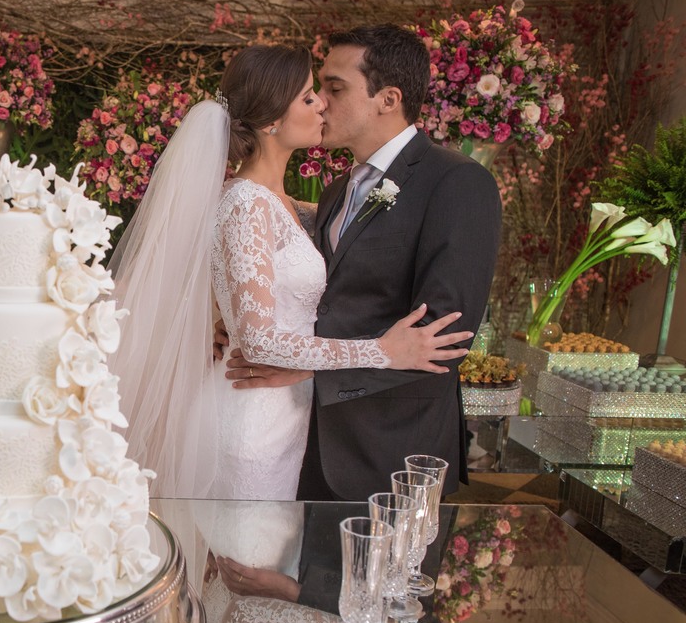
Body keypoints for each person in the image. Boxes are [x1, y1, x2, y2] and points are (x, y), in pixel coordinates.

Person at [110, 44, 472, 503]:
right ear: (269, 122)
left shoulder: (297, 205)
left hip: (292, 417)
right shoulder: (245, 204)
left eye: (324, 91)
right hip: (253, 421)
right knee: (250, 560)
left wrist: (226, 321)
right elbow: (259, 341)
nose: (321, 102)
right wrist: (381, 351)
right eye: (308, 97)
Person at [220, 25, 503, 501]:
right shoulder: (336, 190)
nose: (321, 103)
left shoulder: (456, 183)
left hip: (394, 453)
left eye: (333, 88)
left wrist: (311, 369)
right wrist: (223, 317)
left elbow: (443, 333)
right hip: (307, 441)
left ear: (387, 98)